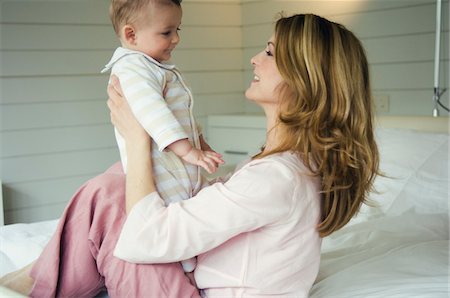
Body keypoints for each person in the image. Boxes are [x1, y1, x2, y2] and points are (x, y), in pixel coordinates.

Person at [0, 13, 380, 297]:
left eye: (269, 52)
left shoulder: (278, 176)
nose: (254, 59)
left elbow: (143, 239)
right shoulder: (290, 166)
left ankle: (32, 283)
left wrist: (137, 137)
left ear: (304, 78)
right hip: (195, 281)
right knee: (118, 180)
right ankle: (38, 278)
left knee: (109, 193)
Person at [102, 0, 223, 274]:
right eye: (166, 32)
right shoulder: (133, 67)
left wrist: (200, 145)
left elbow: (185, 118)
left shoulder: (152, 66)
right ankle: (185, 264)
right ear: (131, 34)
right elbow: (153, 114)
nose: (176, 38)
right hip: (160, 162)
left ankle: (196, 259)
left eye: (177, 29)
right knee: (174, 212)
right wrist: (189, 152)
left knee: (193, 206)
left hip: (175, 157)